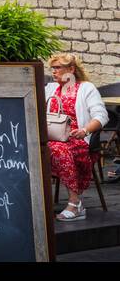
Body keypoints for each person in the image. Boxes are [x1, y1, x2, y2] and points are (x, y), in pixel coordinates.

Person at [46, 53, 107, 222]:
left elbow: (101, 116)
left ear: (71, 69)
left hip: (76, 137)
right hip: (51, 136)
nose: (54, 71)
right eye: (53, 68)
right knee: (31, 147)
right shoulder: (51, 89)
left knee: (57, 149)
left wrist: (85, 130)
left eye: (58, 68)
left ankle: (75, 203)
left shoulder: (86, 88)